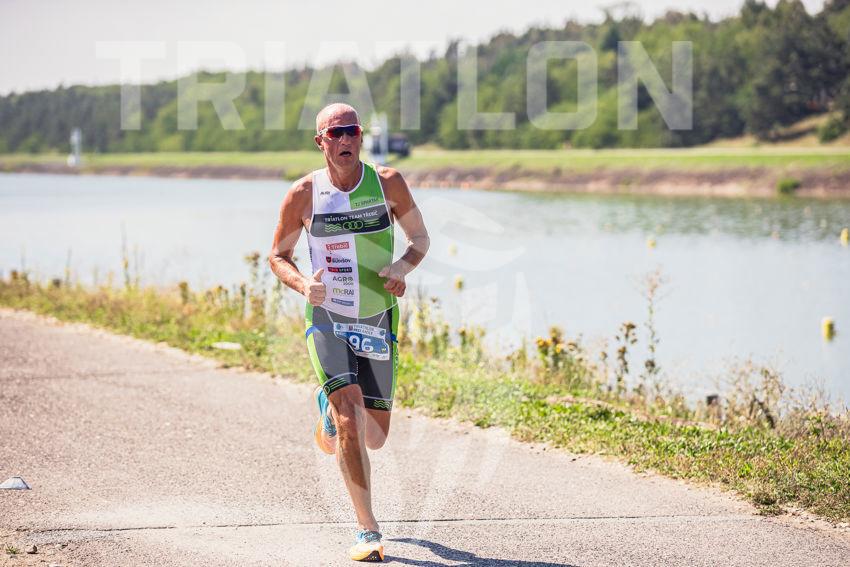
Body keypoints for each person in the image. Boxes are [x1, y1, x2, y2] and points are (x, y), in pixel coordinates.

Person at [268, 103, 429, 562]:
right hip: (328, 317)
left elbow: (420, 240)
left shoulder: (388, 183)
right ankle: (367, 529)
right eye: (335, 133)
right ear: (320, 142)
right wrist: (305, 284)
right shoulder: (304, 194)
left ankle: (327, 410)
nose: (345, 140)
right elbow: (277, 256)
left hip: (377, 316)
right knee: (349, 419)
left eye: (352, 131)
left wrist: (401, 268)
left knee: (374, 434)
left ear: (360, 136)